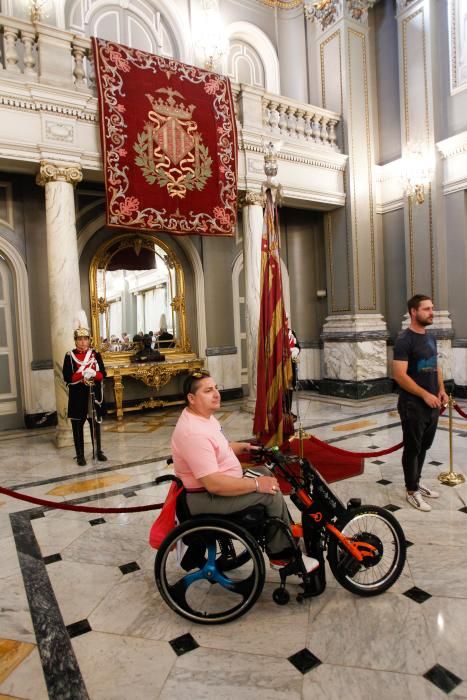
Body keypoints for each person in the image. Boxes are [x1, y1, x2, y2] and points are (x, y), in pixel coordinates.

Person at [171, 370, 319, 573]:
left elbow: (216, 449)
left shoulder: (203, 418)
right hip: (204, 497)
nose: (216, 394)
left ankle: (287, 538)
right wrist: (256, 485)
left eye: (216, 388)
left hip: (214, 488)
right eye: (208, 391)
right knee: (269, 494)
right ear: (191, 398)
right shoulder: (193, 433)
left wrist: (241, 447)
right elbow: (213, 484)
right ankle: (281, 556)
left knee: (266, 474)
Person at [393, 294, 448, 512]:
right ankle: (411, 491)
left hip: (432, 404)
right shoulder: (404, 340)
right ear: (413, 312)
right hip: (412, 405)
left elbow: (436, 366)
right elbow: (399, 375)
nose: (431, 312)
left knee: (424, 446)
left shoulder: (430, 337)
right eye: (426, 309)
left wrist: (441, 389)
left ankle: (416, 481)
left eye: (432, 308)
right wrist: (424, 394)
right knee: (413, 448)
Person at [62, 321, 107, 466]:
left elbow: (103, 374)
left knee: (95, 424)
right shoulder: (69, 356)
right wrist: (82, 376)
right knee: (77, 425)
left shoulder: (95, 354)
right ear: (75, 341)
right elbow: (67, 377)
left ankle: (98, 451)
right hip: (78, 396)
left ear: (89, 340)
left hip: (93, 395)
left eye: (85, 338)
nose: (83, 342)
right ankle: (80, 455)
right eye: (80, 339)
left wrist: (94, 374)